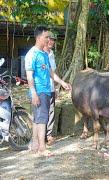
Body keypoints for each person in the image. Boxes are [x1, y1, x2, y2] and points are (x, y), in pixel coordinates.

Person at [25, 26, 71, 156]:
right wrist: (33, 93)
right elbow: (29, 76)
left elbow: (51, 73)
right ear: (39, 38)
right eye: (46, 37)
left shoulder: (44, 54)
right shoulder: (32, 54)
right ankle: (42, 148)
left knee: (37, 119)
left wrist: (62, 83)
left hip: (46, 90)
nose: (48, 40)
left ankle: (35, 145)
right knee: (42, 120)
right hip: (39, 91)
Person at [43, 31, 57, 146]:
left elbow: (53, 72)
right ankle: (41, 137)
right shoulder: (39, 53)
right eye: (49, 39)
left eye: (53, 40)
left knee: (51, 111)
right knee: (42, 112)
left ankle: (49, 135)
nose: (51, 42)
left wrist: (56, 88)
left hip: (51, 88)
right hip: (42, 89)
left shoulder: (52, 54)